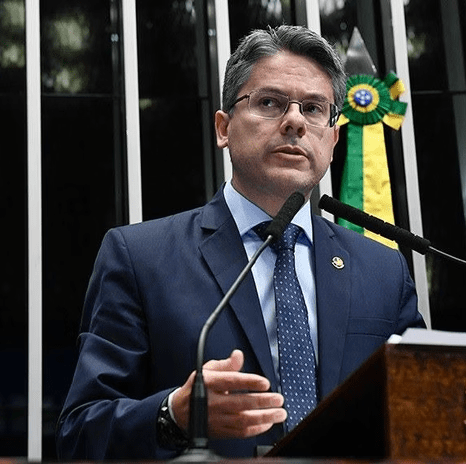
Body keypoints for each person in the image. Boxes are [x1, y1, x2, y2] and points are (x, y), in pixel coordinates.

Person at [56, 25, 425, 459]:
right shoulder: (139, 258)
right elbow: (80, 433)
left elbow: (426, 407)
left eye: (313, 108)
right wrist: (173, 416)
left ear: (332, 139)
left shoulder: (382, 270)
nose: (294, 122)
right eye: (269, 103)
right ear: (223, 128)